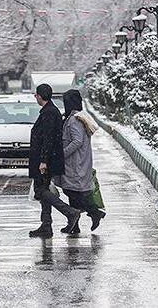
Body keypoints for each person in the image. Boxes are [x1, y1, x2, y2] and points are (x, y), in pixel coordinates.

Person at [28, 83, 80, 238]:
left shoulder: (50, 112)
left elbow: (48, 139)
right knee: (44, 190)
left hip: (46, 160)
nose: (35, 97)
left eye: (36, 95)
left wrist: (43, 161)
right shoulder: (49, 110)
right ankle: (46, 225)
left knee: (41, 191)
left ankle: (70, 212)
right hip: (46, 158)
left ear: (40, 95)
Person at [55, 89, 106, 234]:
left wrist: (62, 154)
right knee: (72, 191)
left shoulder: (74, 120)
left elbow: (77, 141)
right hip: (77, 162)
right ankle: (75, 225)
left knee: (73, 192)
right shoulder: (79, 117)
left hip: (74, 163)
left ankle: (94, 212)